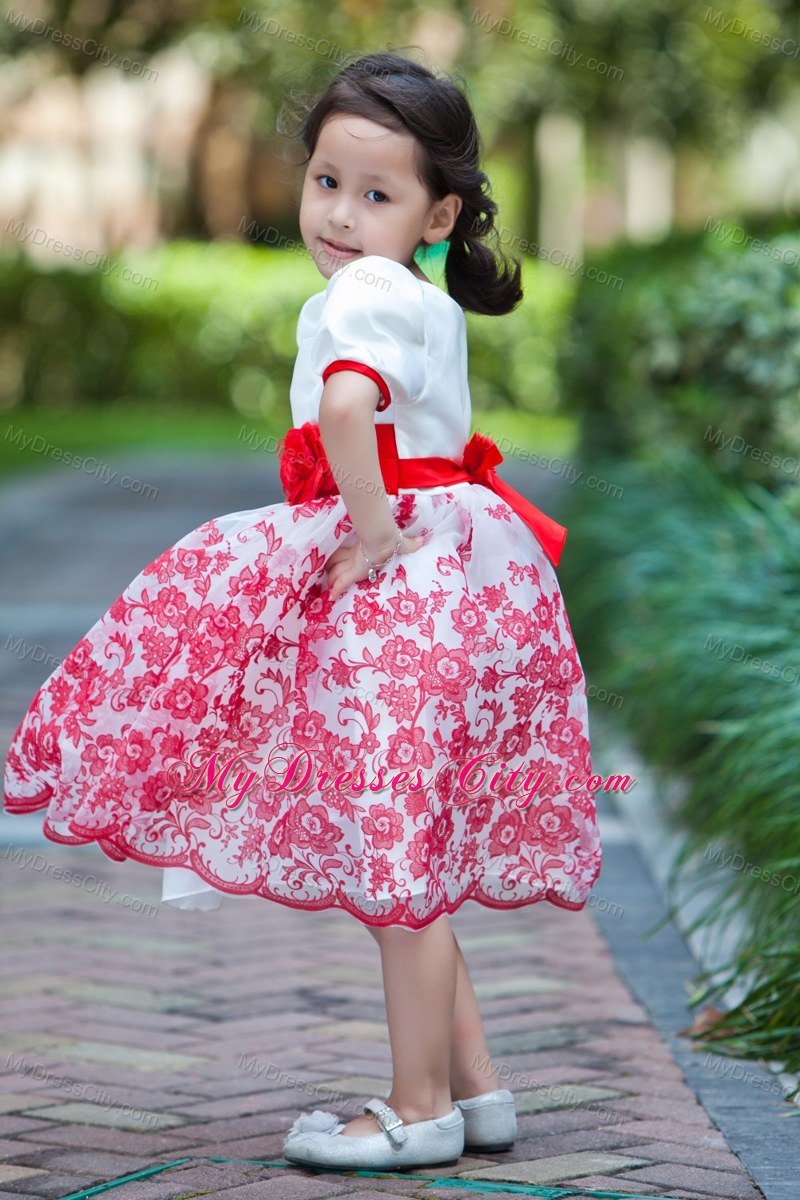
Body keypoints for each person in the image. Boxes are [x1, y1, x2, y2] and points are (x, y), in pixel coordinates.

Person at [2, 50, 602, 1172]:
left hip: (400, 584)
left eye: (376, 195)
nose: (339, 213)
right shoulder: (419, 295)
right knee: (407, 847)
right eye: (326, 182)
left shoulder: (365, 293)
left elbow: (342, 406)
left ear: (441, 208)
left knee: (391, 853)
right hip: (467, 577)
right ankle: (476, 1090)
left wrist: (366, 531)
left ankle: (415, 1107)